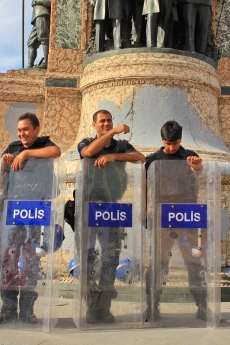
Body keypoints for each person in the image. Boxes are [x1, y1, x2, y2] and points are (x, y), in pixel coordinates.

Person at [0, 112, 61, 324]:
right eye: (19, 130)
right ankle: (8, 308)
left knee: (31, 262)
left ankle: (28, 310)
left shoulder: (43, 144)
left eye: (26, 129)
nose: (22, 133)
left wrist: (27, 154)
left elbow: (56, 151)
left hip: (36, 212)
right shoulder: (12, 147)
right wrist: (4, 162)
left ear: (36, 129)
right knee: (9, 260)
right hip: (13, 211)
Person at [78, 110, 145, 324]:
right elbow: (88, 153)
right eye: (102, 121)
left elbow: (140, 157)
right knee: (88, 259)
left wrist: (114, 156)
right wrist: (114, 132)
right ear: (94, 125)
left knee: (110, 259)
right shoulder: (87, 142)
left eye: (109, 121)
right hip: (89, 206)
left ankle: (104, 306)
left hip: (111, 207)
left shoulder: (120, 146)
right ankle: (91, 306)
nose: (106, 124)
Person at [145, 120, 209, 321]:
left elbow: (199, 175)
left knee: (193, 260)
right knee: (158, 260)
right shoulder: (153, 159)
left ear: (180, 140)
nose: (170, 148)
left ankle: (202, 305)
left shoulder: (190, 157)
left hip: (187, 213)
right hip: (162, 213)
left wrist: (196, 168)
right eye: (167, 143)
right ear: (162, 140)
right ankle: (152, 305)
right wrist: (146, 211)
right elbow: (145, 186)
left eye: (174, 143)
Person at [25, 0, 53, 69]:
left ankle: (46, 62)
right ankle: (30, 65)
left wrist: (40, 1)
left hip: (43, 14)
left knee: (43, 37)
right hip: (36, 16)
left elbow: (54, 0)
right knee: (31, 42)